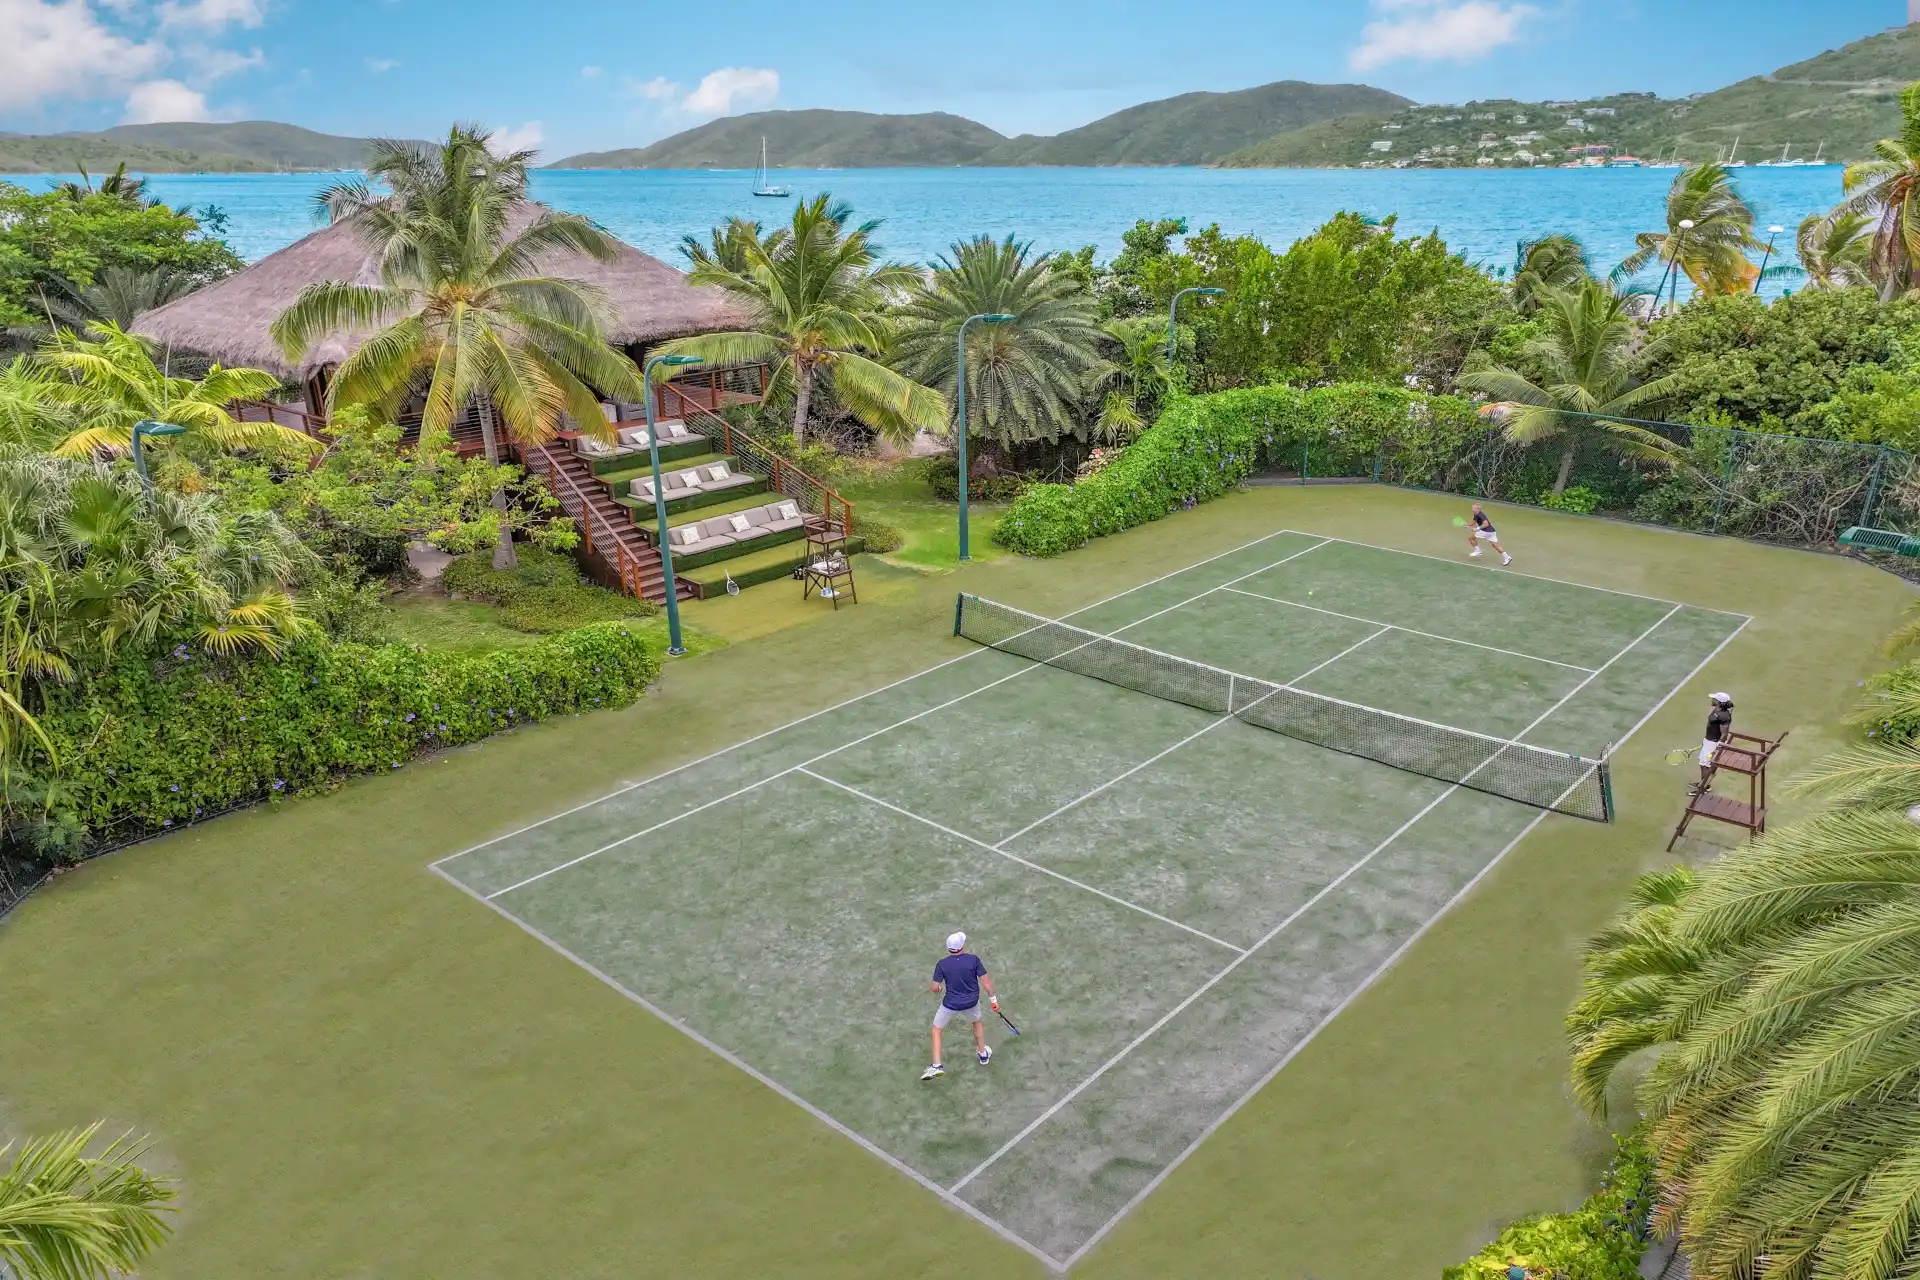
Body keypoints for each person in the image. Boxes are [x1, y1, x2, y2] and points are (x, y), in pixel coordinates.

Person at [921, 931, 997, 1081]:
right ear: (962, 946)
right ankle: (983, 1055)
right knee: (976, 1023)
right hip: (972, 1002)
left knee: (936, 1029)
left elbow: (935, 987)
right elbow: (987, 984)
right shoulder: (974, 960)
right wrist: (994, 1001)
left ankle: (937, 1066)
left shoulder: (942, 964)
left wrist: (938, 989)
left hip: (951, 1004)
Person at [1694, 692, 1734, 795]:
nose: (1712, 699)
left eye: (1714, 698)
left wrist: (1717, 748)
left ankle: (1703, 788)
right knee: (1703, 763)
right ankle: (1703, 784)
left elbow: (1724, 734)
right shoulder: (1717, 710)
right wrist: (1706, 741)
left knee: (1706, 765)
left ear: (1718, 702)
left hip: (1713, 744)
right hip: (1709, 741)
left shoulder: (1724, 716)